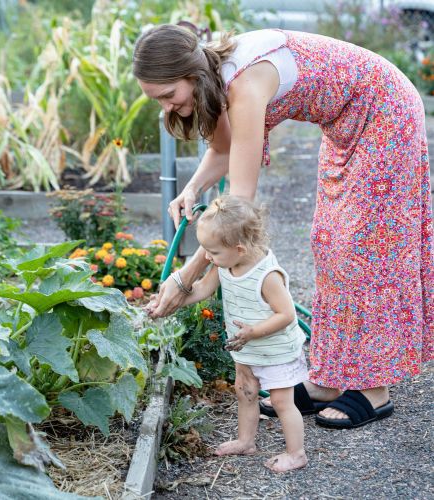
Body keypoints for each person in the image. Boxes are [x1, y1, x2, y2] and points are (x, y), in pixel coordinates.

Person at [133, 24, 433, 429]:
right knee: (328, 243)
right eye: (158, 101)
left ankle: (374, 389)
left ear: (193, 74)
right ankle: (328, 379)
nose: (167, 108)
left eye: (169, 96)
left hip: (385, 113)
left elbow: (237, 208)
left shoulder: (245, 85)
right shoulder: (216, 77)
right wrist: (193, 186)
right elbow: (224, 148)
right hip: (346, 124)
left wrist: (186, 278)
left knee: (364, 249)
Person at [179, 195, 308, 472]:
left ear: (238, 248)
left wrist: (253, 332)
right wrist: (175, 300)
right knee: (245, 390)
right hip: (245, 345)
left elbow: (286, 315)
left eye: (212, 252)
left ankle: (296, 453)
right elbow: (203, 289)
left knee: (281, 401)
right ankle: (245, 441)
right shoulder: (225, 263)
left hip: (275, 349)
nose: (206, 257)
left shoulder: (267, 275)